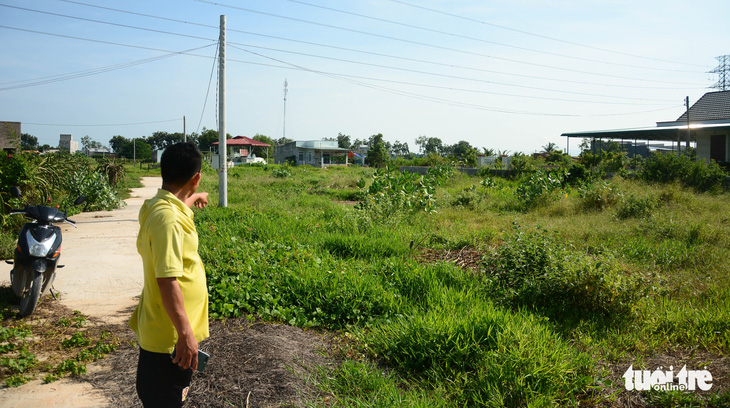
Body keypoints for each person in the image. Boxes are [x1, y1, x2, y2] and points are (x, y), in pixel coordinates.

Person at [129, 142, 210, 407]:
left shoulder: (159, 205)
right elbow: (167, 281)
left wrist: (196, 197)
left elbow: (176, 202)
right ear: (195, 177)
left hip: (167, 336)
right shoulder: (169, 220)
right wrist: (185, 334)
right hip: (169, 341)